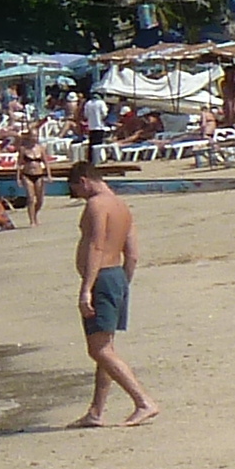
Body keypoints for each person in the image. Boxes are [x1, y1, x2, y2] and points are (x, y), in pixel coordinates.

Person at [67, 156, 156, 426]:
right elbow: (133, 253)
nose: (79, 197)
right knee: (106, 346)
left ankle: (143, 401)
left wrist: (86, 289)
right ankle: (96, 411)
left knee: (99, 350)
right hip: (117, 275)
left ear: (83, 181)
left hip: (102, 277)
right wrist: (124, 282)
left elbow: (95, 246)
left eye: (76, 191)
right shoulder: (121, 205)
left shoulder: (97, 205)